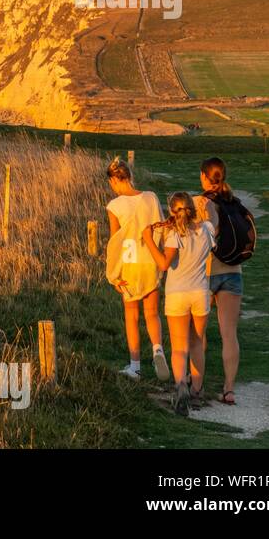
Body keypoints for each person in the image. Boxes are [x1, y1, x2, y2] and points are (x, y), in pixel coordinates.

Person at [142, 192, 215, 416]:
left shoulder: (175, 234)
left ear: (173, 211)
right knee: (197, 343)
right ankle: (197, 389)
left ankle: (181, 386)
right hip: (200, 293)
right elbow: (214, 226)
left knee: (179, 347)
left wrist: (148, 239)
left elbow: (164, 264)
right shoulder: (207, 230)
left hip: (177, 294)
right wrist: (209, 209)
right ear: (192, 209)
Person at [104, 158, 170, 381]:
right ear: (130, 175)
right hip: (150, 259)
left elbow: (115, 242)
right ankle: (157, 349)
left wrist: (113, 275)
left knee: (131, 316)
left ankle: (135, 366)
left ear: (115, 179)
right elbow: (160, 228)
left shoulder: (114, 206)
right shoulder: (150, 197)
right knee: (152, 313)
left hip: (129, 264)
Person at [195, 157, 242, 406]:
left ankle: (197, 385)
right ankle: (229, 389)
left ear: (204, 176)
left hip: (205, 272)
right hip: (234, 271)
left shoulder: (199, 203)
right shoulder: (234, 201)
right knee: (229, 334)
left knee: (199, 333)